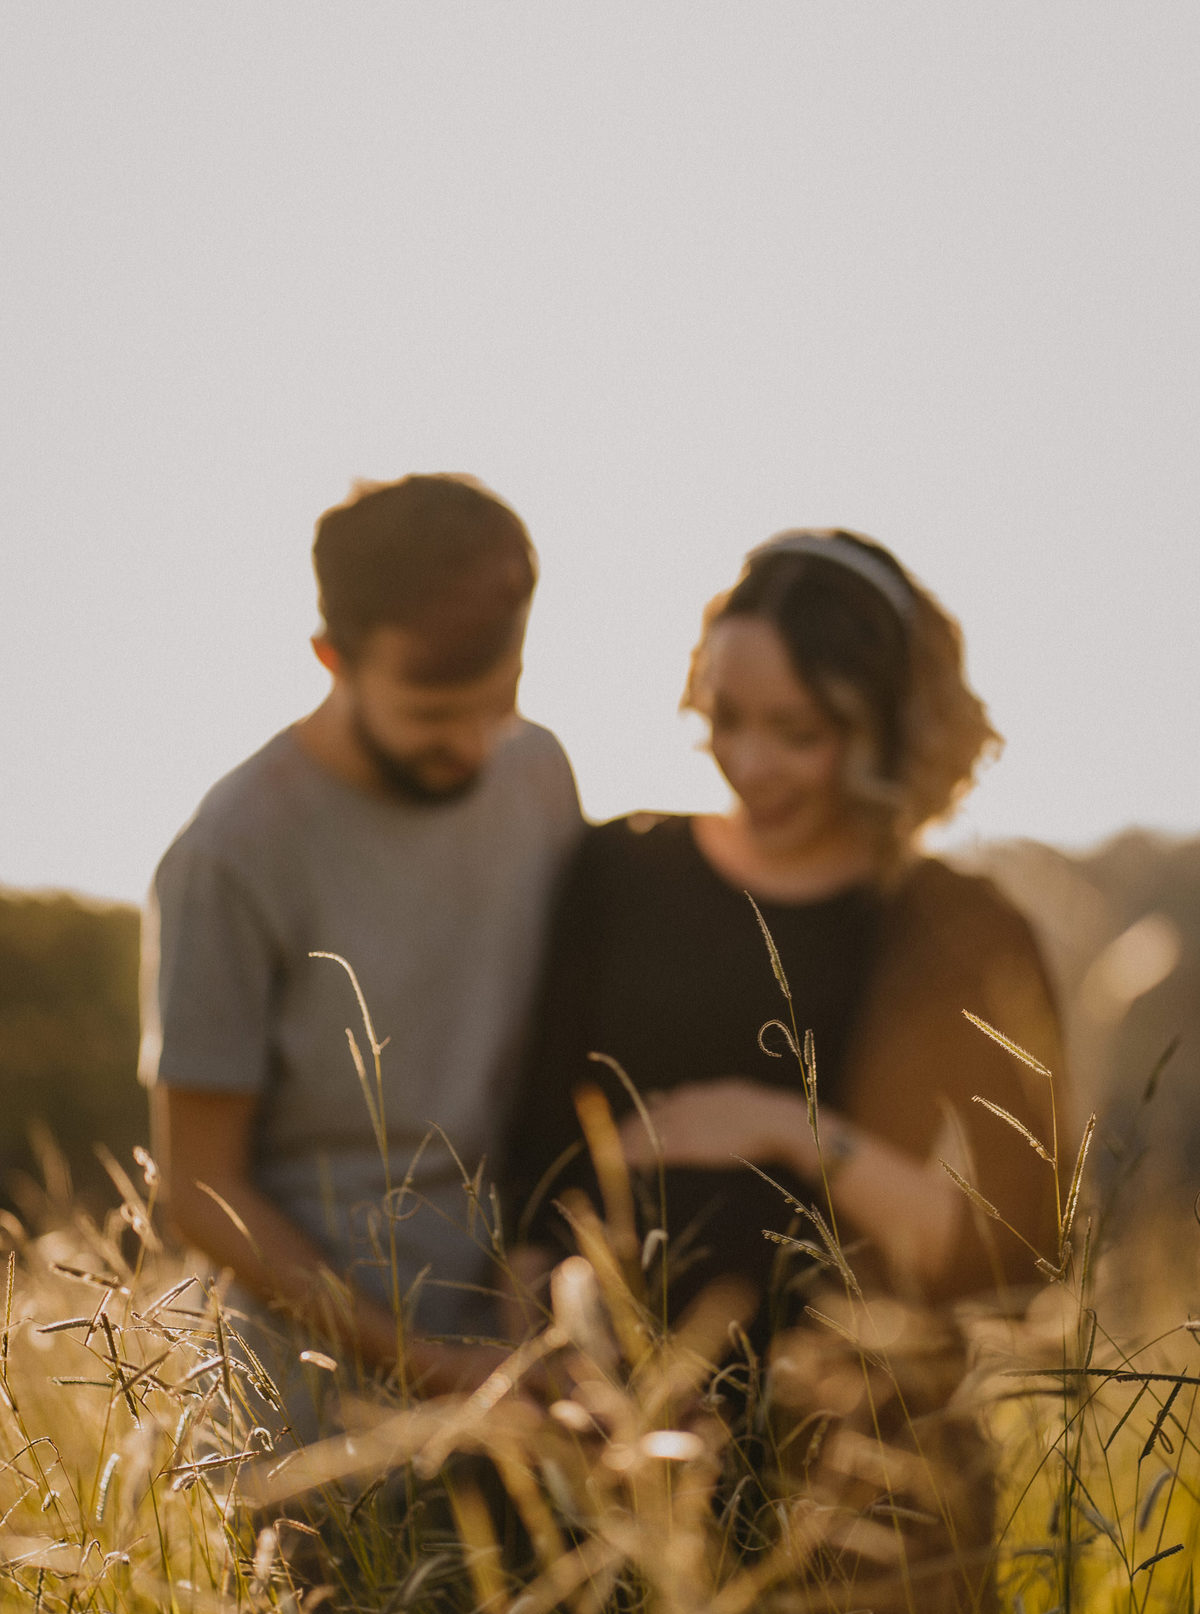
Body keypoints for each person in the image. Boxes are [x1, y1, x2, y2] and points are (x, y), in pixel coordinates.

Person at [499, 528, 1063, 1346]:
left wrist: (785, 1130)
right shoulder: (619, 869)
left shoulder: (960, 931)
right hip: (601, 1417)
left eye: (798, 733)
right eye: (727, 720)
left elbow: (1022, 1250)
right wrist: (549, 1378)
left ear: (890, 727)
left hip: (856, 1423)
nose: (750, 762)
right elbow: (533, 1171)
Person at [139, 474, 582, 1424]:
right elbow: (199, 1185)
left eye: (495, 701)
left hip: (532, 1343)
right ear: (330, 657)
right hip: (318, 1393)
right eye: (429, 716)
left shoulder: (538, 771)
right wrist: (432, 1367)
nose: (470, 745)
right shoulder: (231, 851)